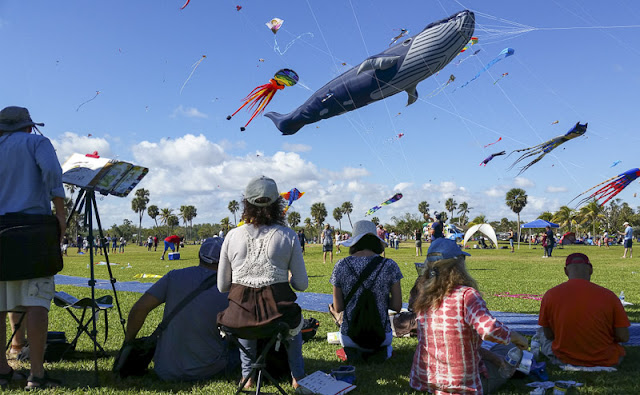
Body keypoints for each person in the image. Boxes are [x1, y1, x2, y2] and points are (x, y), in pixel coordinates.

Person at [217, 176, 308, 389]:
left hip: (239, 318)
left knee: (245, 313)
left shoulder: (232, 236)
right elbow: (301, 285)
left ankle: (247, 377)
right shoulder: (288, 236)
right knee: (294, 323)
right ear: (277, 203)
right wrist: (285, 278)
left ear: (246, 203)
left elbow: (222, 286)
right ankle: (298, 376)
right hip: (279, 317)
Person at [0, 106, 65, 389]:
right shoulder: (38, 142)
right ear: (28, 127)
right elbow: (52, 173)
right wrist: (60, 216)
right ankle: (36, 374)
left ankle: (2, 370)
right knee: (37, 301)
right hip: (33, 229)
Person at [409, 238, 528, 394]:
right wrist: (516, 337)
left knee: (491, 350)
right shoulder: (466, 295)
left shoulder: (423, 296)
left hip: (424, 382)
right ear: (458, 265)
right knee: (510, 348)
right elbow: (489, 330)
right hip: (460, 387)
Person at [125, 237, 239, 381]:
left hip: (164, 369)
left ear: (199, 256)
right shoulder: (232, 288)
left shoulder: (174, 276)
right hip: (208, 368)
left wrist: (127, 343)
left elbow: (139, 309)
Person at [538, 253, 630, 367]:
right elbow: (623, 336)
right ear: (590, 269)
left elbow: (548, 335)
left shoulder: (550, 295)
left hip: (565, 358)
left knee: (540, 333)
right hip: (606, 358)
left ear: (566, 271)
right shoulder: (609, 296)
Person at [330, 220, 403, 360]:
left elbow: (338, 307)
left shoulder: (341, 266)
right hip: (382, 336)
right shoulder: (389, 265)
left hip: (350, 337)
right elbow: (397, 307)